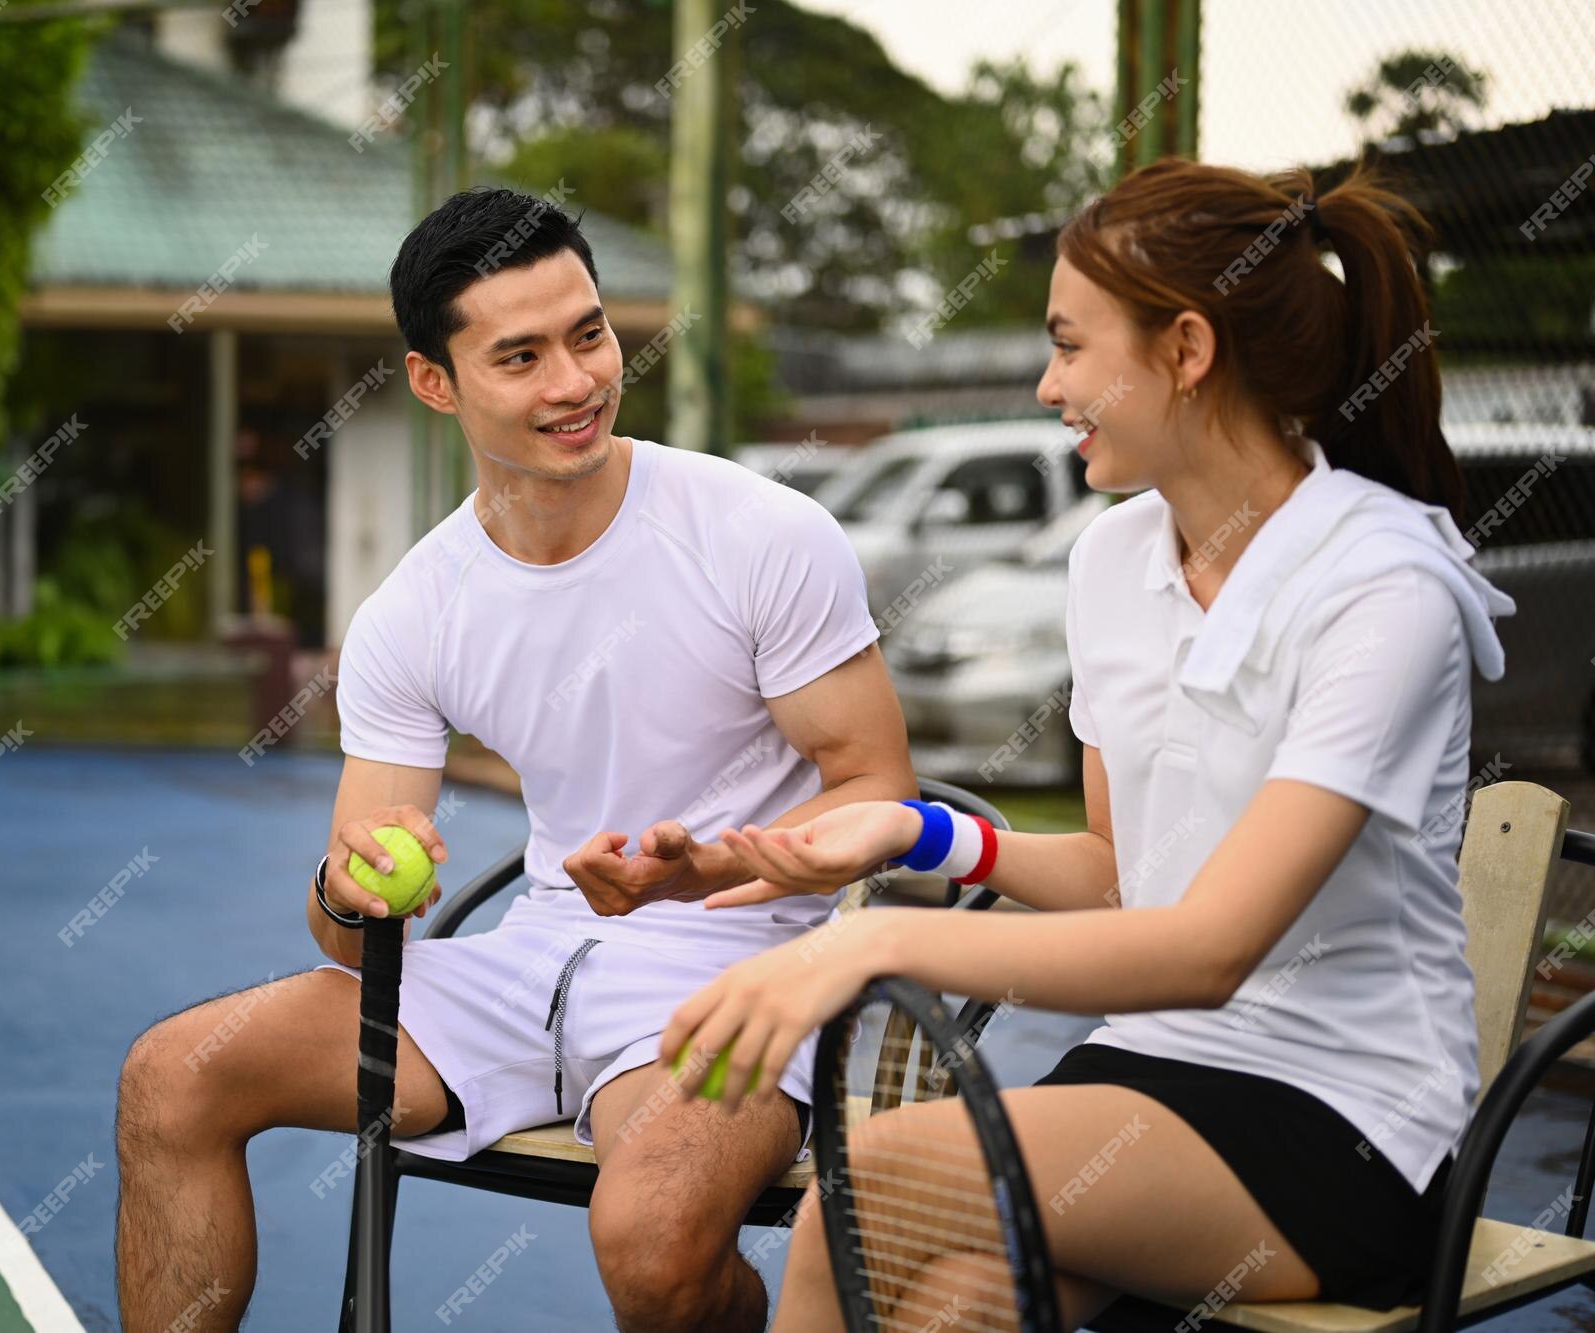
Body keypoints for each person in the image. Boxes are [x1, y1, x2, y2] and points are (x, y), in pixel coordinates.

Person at [658, 159, 1514, 1326]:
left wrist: (856, 952)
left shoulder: (1382, 590)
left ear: (1185, 351)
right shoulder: (1109, 562)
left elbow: (1208, 948)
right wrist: (917, 834)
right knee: (956, 1300)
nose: (1046, 382)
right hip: (1153, 1066)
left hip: (1351, 1115)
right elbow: (1121, 874)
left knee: (863, 1191)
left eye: (1069, 344)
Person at [112, 186, 916, 1332]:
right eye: (521, 356)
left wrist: (717, 866)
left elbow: (874, 788)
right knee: (171, 1074)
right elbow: (354, 928)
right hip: (518, 967)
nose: (575, 381)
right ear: (433, 382)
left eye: (588, 334)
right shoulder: (413, 611)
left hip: (732, 972)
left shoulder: (761, 535)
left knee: (651, 1246)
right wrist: (343, 885)